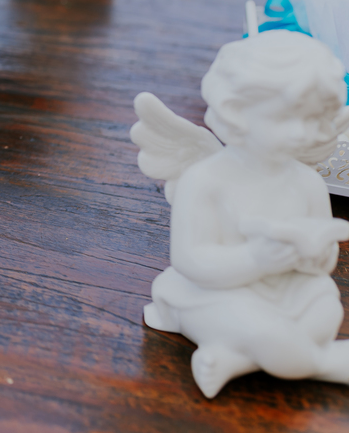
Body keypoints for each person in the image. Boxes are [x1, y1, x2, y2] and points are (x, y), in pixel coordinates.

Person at [134, 30, 349, 398]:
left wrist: (315, 255)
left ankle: (236, 360)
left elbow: (322, 261)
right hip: (214, 293)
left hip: (287, 288)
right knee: (258, 327)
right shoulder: (206, 180)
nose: (304, 134)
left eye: (316, 121)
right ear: (237, 111)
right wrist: (255, 259)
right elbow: (189, 260)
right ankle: (325, 364)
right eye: (288, 119)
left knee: (325, 305)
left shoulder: (306, 181)